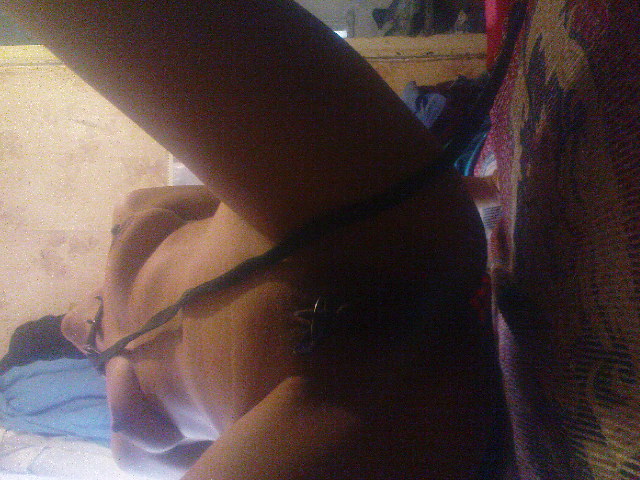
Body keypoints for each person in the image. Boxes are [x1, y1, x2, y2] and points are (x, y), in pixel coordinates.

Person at [1, 1, 496, 479]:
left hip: (362, 238)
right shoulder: (126, 438)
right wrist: (109, 348)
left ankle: (452, 205)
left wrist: (106, 320)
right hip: (328, 400)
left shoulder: (129, 229)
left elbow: (247, 181)